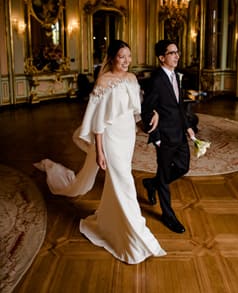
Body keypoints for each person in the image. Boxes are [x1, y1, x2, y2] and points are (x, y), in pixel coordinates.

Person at [34, 40, 166, 264]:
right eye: (121, 57)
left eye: (129, 56)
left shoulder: (132, 79)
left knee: (118, 182)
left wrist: (154, 114)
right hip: (110, 138)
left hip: (127, 136)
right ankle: (135, 235)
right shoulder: (103, 81)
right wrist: (100, 150)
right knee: (124, 181)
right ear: (112, 58)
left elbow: (136, 112)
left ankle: (108, 221)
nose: (126, 61)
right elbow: (97, 119)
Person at [141, 39, 197, 234]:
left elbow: (178, 105)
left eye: (177, 52)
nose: (177, 56)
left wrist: (188, 127)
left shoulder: (175, 76)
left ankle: (151, 183)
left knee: (183, 166)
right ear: (162, 57)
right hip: (164, 137)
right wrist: (156, 137)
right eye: (172, 53)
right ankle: (168, 216)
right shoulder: (156, 80)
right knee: (165, 177)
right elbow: (146, 110)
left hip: (179, 133)